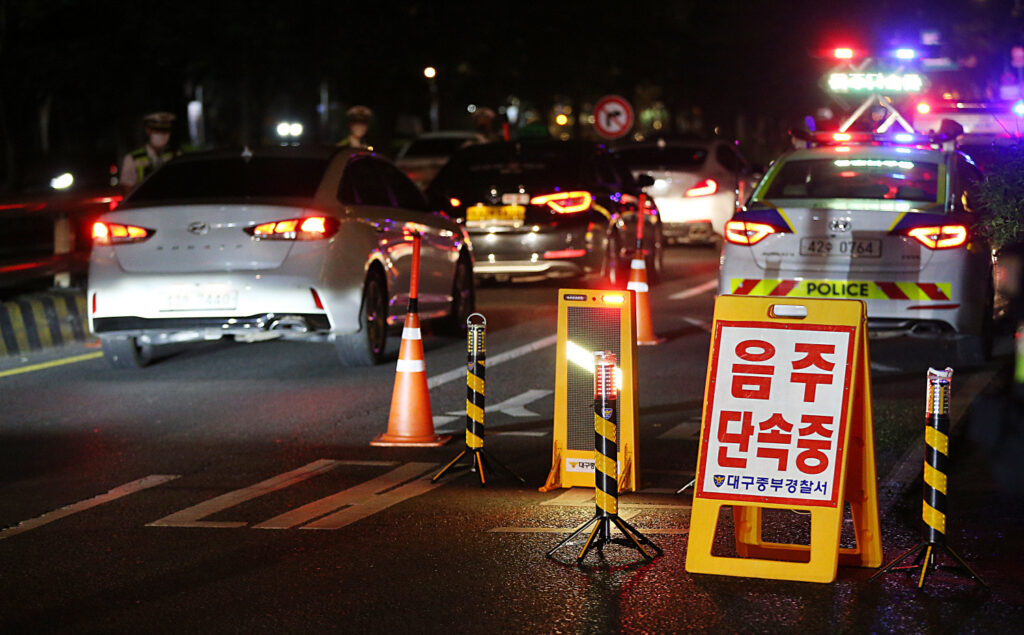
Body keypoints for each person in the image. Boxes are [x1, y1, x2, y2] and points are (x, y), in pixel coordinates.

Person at [120, 112, 178, 190]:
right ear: (148, 130)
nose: (161, 134)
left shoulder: (176, 155)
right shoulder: (132, 159)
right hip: (145, 201)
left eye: (165, 130)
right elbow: (128, 190)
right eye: (157, 130)